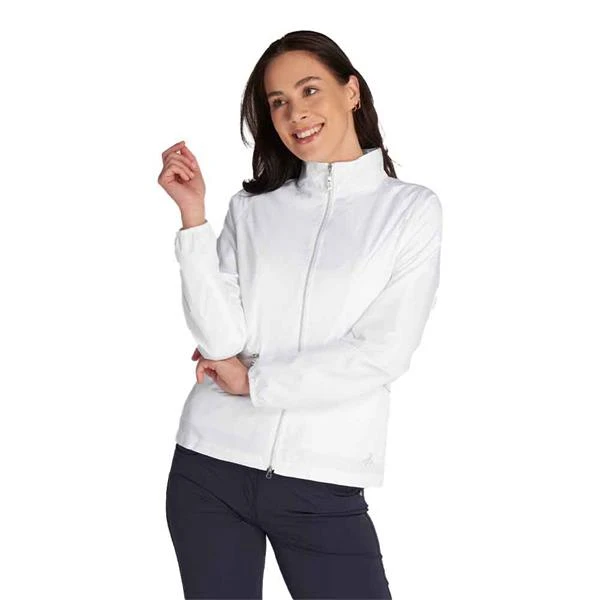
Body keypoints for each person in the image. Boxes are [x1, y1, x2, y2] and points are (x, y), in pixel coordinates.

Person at [157, 29, 442, 600]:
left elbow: (382, 352)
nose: (296, 114)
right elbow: (219, 337)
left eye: (310, 90)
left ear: (351, 92)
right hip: (209, 466)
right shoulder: (252, 208)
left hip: (323, 480)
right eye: (278, 102)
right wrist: (193, 217)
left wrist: (254, 381)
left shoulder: (410, 211)